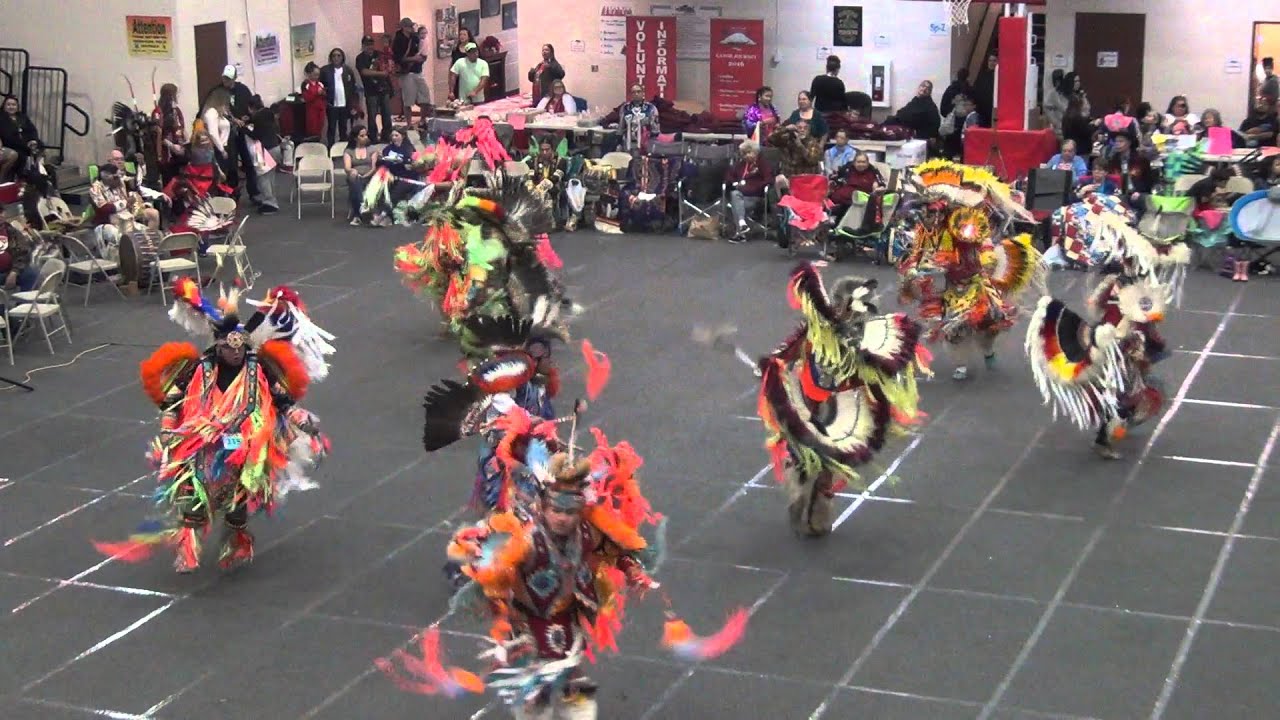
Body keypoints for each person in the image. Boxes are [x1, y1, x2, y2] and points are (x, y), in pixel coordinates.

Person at [95, 283, 332, 573]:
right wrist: (169, 429)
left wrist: (302, 422)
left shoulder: (259, 370)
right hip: (201, 442)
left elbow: (283, 401)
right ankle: (188, 550)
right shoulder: (198, 369)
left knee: (236, 502)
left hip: (243, 445)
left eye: (239, 349)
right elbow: (173, 402)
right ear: (218, 345)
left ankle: (236, 542)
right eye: (228, 349)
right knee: (193, 497)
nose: (235, 354)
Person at [752, 263, 927, 535]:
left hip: (841, 409)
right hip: (808, 402)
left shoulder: (869, 338)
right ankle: (800, 495)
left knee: (826, 465)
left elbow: (883, 369)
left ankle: (817, 510)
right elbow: (787, 350)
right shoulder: (815, 329)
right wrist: (769, 366)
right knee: (801, 456)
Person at [1025, 205, 1188, 459]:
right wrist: (1129, 331)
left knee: (1126, 392)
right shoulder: (1123, 286)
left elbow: (1099, 306)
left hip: (1123, 342)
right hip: (1119, 346)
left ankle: (1111, 429)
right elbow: (1116, 312)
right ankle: (1105, 439)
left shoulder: (1125, 284)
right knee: (1121, 396)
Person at [895, 160, 1042, 381]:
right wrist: (913, 270)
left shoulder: (964, 223)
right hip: (952, 288)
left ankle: (988, 351)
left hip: (976, 282)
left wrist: (987, 256)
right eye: (927, 213)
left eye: (935, 214)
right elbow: (917, 254)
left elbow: (982, 242)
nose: (931, 218)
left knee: (989, 324)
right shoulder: (926, 232)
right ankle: (961, 362)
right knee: (954, 326)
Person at [209, 65, 261, 209]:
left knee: (249, 163)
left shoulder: (243, 90)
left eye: (229, 79)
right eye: (224, 78)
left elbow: (251, 107)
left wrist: (246, 117)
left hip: (243, 132)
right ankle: (232, 193)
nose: (226, 82)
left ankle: (254, 192)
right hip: (228, 134)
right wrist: (232, 120)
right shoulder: (218, 91)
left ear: (234, 78)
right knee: (231, 165)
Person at [725, 139, 772, 242]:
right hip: (741, 195)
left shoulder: (762, 164)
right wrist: (734, 183)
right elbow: (729, 176)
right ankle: (742, 225)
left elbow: (768, 180)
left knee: (735, 201)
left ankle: (741, 233)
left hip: (756, 196)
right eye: (743, 154)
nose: (745, 156)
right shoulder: (741, 164)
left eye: (748, 153)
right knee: (735, 195)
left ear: (755, 152)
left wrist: (751, 188)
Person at [393, 18, 432, 129]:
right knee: (408, 100)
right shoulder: (398, 40)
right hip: (406, 73)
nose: (412, 28)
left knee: (425, 97)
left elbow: (421, 51)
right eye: (409, 26)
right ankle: (409, 123)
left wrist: (422, 58)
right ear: (404, 27)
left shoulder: (414, 37)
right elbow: (398, 58)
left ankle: (422, 120)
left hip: (418, 71)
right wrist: (413, 59)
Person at [245, 95, 281, 213]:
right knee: (271, 176)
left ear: (251, 108)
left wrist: (243, 128)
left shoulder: (257, 118)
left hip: (264, 149)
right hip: (275, 147)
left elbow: (255, 135)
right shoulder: (268, 112)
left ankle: (269, 202)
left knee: (262, 177)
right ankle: (273, 200)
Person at [357, 35, 394, 143]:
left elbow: (388, 68)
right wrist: (381, 73)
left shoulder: (380, 55)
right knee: (372, 116)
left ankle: (387, 136)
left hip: (384, 88)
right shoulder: (360, 58)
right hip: (371, 90)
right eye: (367, 44)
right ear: (363, 45)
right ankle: (373, 137)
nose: (370, 47)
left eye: (371, 44)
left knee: (386, 114)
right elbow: (364, 72)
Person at [322, 48, 360, 147]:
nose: (336, 58)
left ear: (342, 57)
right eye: (334, 55)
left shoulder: (348, 70)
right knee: (331, 128)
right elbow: (321, 86)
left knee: (343, 128)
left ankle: (343, 147)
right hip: (332, 105)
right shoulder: (325, 70)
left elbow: (353, 88)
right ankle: (331, 148)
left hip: (345, 104)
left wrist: (354, 106)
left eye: (339, 55)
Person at [343, 125, 377, 225]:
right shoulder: (349, 151)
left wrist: (366, 176)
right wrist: (352, 171)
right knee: (354, 179)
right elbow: (347, 167)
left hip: (369, 175)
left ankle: (357, 214)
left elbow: (374, 167)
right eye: (362, 136)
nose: (365, 137)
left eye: (366, 135)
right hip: (356, 176)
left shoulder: (372, 149)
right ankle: (361, 208)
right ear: (355, 137)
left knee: (357, 185)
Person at [0, 95, 40, 181]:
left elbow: (32, 130)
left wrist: (33, 140)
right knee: (18, 155)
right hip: (11, 145)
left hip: (26, 144)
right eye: (8, 105)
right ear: (4, 106)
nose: (11, 107)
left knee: (39, 149)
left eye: (14, 105)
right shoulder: (1, 118)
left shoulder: (23, 117)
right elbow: (7, 136)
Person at [153, 83, 186, 185]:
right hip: (166, 154)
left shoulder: (177, 111)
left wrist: (183, 142)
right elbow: (158, 135)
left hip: (179, 153)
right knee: (169, 183)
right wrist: (171, 146)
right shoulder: (158, 112)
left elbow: (181, 127)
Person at [611, 84, 659, 153]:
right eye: (633, 92)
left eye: (638, 92)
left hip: (645, 143)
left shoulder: (651, 108)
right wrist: (618, 143)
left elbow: (656, 130)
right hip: (628, 143)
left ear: (643, 93)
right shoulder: (625, 108)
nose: (636, 94)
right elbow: (620, 129)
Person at [891, 80, 941, 145]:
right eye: (923, 86)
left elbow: (935, 124)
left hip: (921, 138)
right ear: (919, 87)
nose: (924, 89)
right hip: (908, 134)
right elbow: (902, 112)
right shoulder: (915, 101)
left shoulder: (930, 106)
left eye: (928, 88)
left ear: (930, 92)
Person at [300, 63, 328, 140]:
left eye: (318, 75)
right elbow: (306, 98)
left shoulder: (320, 84)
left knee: (320, 128)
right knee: (312, 129)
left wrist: (323, 93)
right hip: (312, 110)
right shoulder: (306, 84)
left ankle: (319, 143)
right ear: (309, 74)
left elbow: (324, 96)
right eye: (315, 74)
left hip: (321, 110)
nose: (317, 77)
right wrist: (317, 93)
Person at [972, 54, 998, 125]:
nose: (991, 63)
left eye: (994, 61)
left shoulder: (1001, 76)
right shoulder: (983, 76)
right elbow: (976, 91)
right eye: (990, 60)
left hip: (996, 112)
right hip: (982, 112)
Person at [1041, 69, 1068, 135]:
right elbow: (1048, 110)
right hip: (1058, 128)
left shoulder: (1064, 93)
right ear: (1057, 82)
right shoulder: (1052, 94)